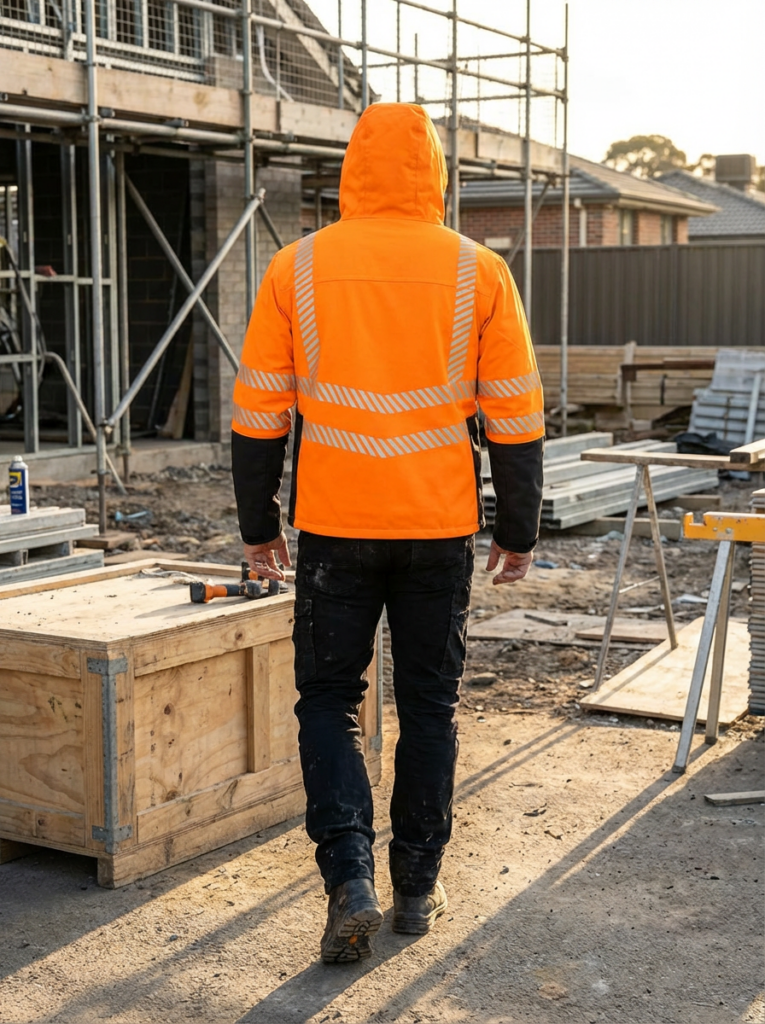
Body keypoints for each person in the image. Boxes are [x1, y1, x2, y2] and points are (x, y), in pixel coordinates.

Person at [231, 103, 544, 964]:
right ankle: (414, 887)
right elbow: (514, 416)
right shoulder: (477, 271)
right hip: (435, 525)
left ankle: (349, 881)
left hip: (333, 526)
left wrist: (258, 525)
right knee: (430, 705)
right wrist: (516, 527)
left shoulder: (296, 268)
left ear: (350, 172)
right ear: (436, 175)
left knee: (329, 702)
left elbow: (259, 411)